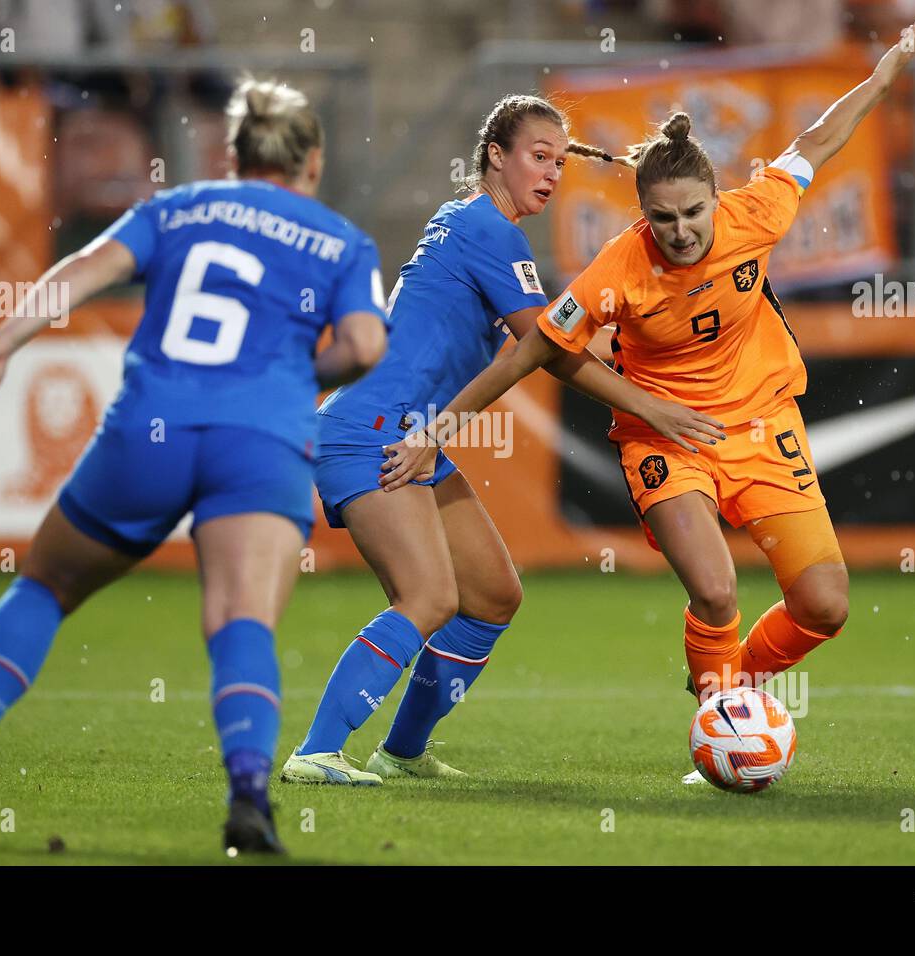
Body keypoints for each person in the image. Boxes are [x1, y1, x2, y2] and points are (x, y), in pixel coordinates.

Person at [380, 24, 915, 779]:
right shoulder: (619, 265)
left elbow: (821, 137)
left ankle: (725, 692)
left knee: (825, 605)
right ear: (642, 215)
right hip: (664, 440)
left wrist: (885, 73)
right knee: (715, 588)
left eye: (693, 213)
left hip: (764, 425)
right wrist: (443, 428)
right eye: (662, 219)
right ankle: (719, 722)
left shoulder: (757, 213)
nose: (681, 231)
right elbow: (537, 350)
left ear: (715, 198)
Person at [0, 77, 388, 854]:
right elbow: (364, 347)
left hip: (152, 427)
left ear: (231, 154)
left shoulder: (176, 208)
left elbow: (80, 272)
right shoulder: (342, 240)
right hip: (261, 443)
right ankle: (249, 795)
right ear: (311, 162)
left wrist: (0, 343)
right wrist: (287, 376)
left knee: (46, 583)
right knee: (239, 620)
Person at [280, 94, 720, 786]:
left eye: (557, 161)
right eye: (536, 158)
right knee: (428, 599)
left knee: (491, 594)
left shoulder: (468, 222)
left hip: (408, 432)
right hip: (375, 431)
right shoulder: (489, 232)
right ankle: (316, 752)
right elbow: (547, 347)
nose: (549, 174)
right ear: (496, 156)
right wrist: (649, 405)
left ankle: (401, 754)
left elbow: (554, 333)